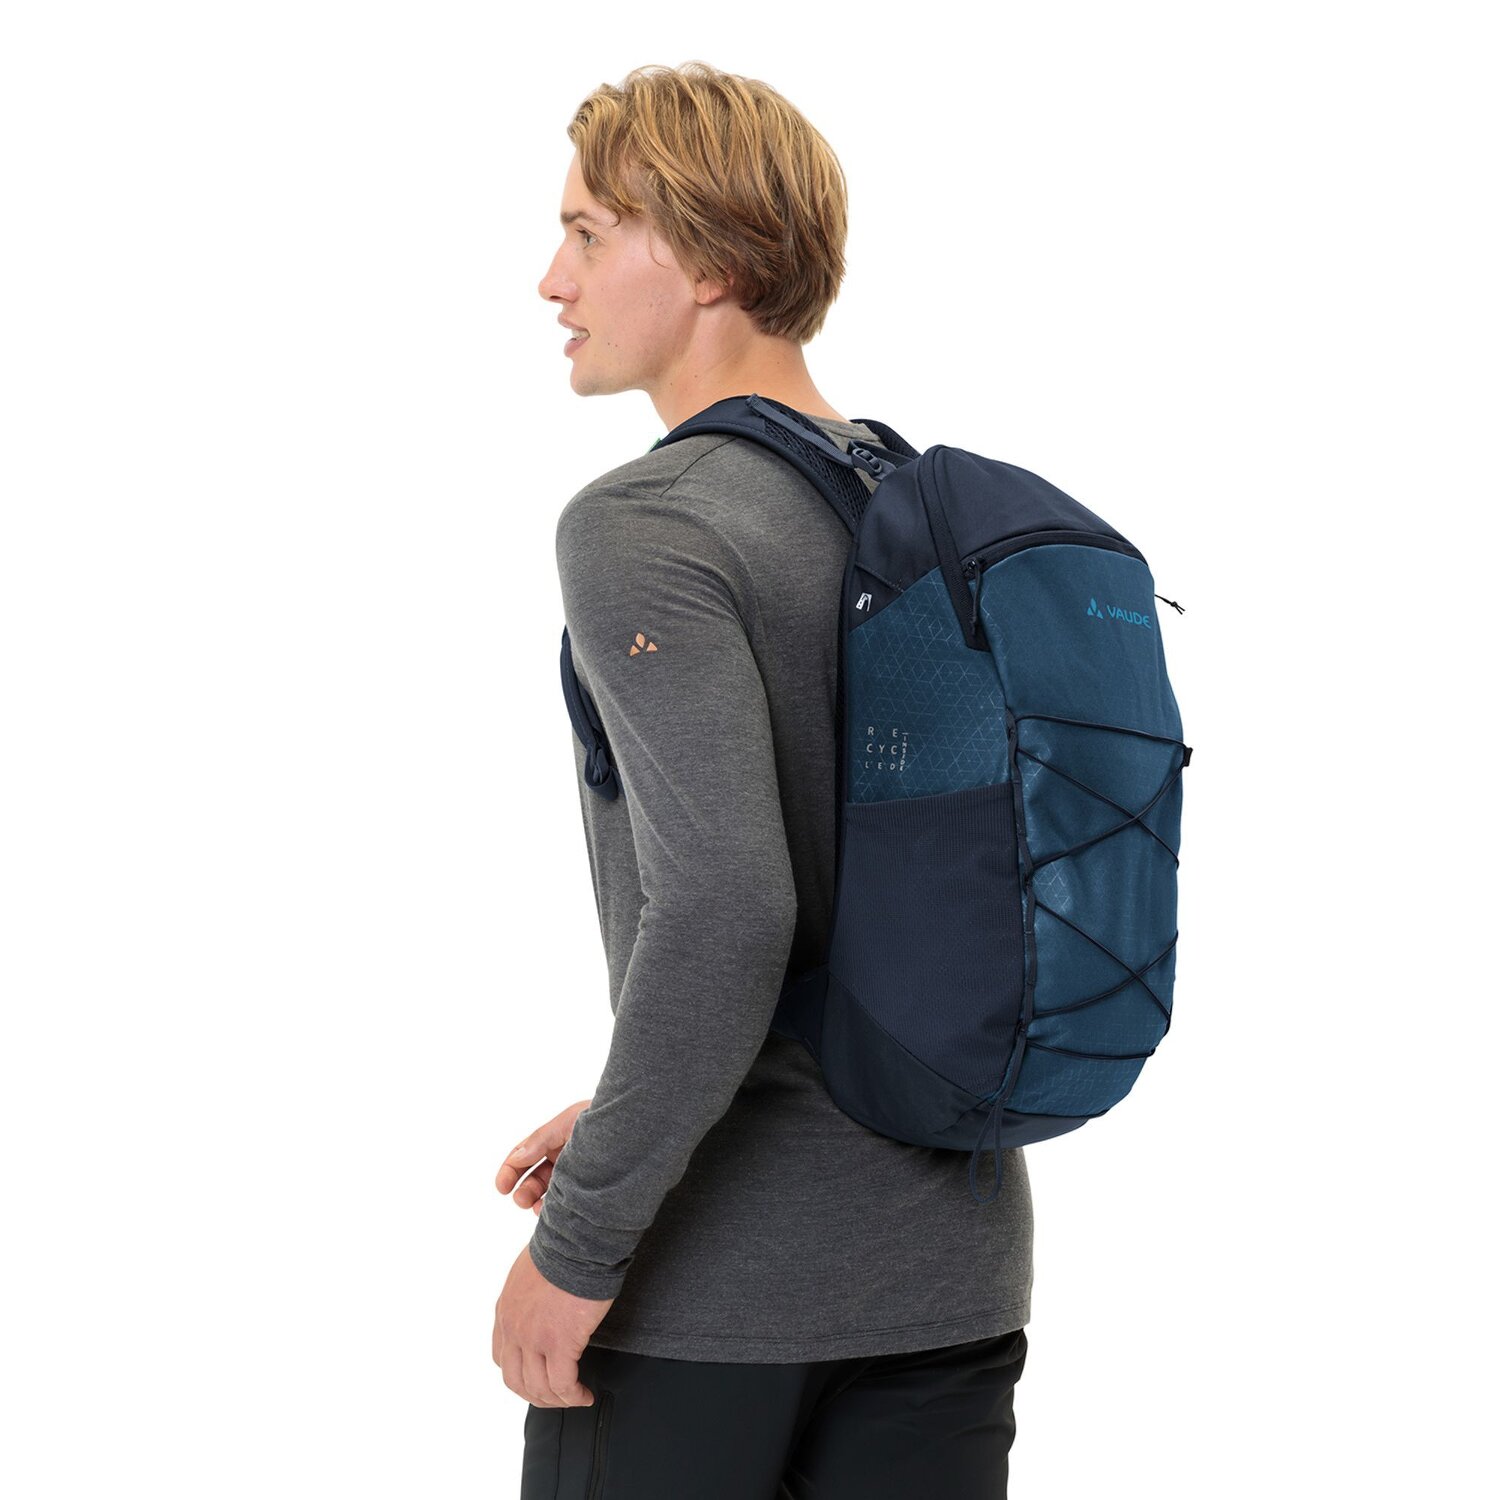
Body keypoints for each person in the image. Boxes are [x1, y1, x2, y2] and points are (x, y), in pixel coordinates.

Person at [493, 61, 1034, 1498]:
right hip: (954, 1274)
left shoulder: (648, 523)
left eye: (589, 232)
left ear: (714, 263)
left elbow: (730, 911)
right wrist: (637, 1102)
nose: (553, 278)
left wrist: (580, 1243)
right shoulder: (917, 510)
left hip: (721, 1293)